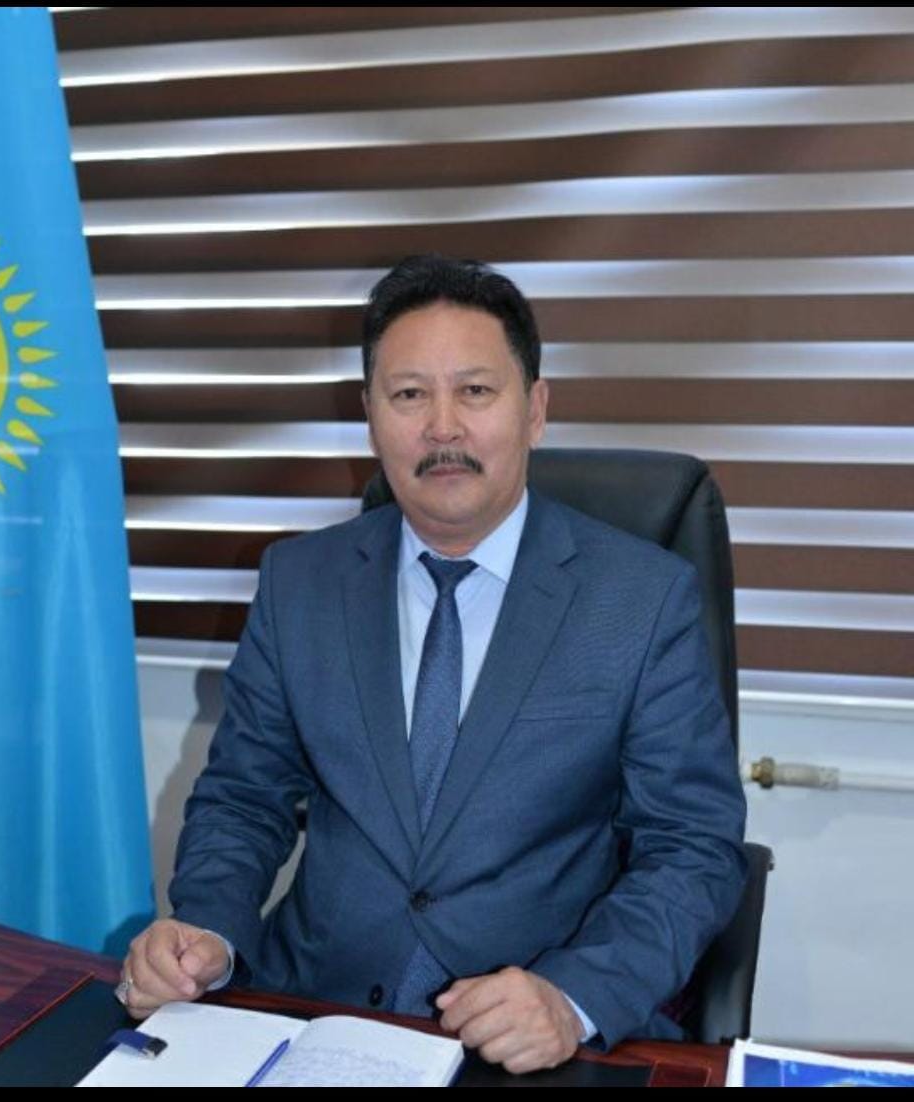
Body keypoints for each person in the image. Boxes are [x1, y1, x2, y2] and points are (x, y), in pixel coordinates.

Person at [120, 256, 747, 1074]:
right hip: (314, 1011)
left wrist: (573, 996)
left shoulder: (642, 598)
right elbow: (244, 797)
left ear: (535, 409)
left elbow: (692, 846)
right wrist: (208, 929)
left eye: (475, 391)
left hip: (525, 1034)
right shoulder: (300, 581)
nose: (442, 428)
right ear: (370, 416)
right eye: (409, 394)